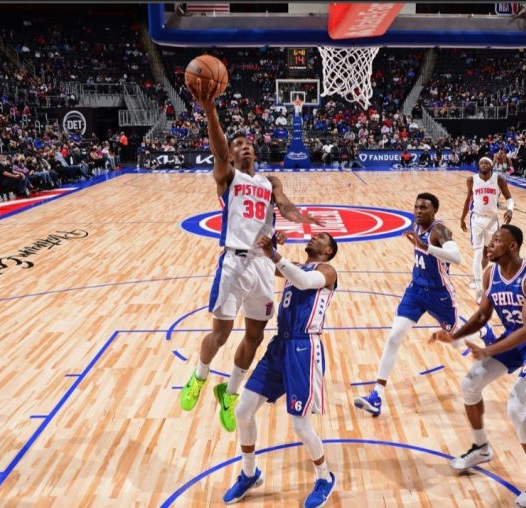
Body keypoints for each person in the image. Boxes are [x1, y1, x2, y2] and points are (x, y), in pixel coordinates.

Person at [178, 77, 323, 432]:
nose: (244, 147)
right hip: (234, 263)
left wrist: (301, 217)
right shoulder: (228, 177)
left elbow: (285, 206)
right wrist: (209, 109)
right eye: (237, 145)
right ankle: (200, 375)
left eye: (248, 144)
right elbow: (217, 150)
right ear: (229, 155)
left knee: (255, 336)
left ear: (255, 153)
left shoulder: (269, 182)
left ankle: (229, 393)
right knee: (221, 334)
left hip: (262, 265)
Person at [431, 224, 526, 507]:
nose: (489, 246)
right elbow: (483, 315)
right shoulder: (491, 273)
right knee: (469, 384)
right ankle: (481, 447)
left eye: (496, 241)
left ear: (512, 246)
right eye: (490, 241)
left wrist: (488, 350)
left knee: (516, 406)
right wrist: (455, 336)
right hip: (515, 336)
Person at [222, 233, 338, 507]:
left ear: (328, 250)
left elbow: (304, 281)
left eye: (320, 237)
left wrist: (274, 254)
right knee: (243, 411)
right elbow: (264, 264)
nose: (313, 237)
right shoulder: (294, 266)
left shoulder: (327, 271)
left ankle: (324, 477)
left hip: (304, 348)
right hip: (279, 346)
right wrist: (261, 245)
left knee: (300, 426)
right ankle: (249, 473)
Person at [353, 193, 464, 417]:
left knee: (457, 339)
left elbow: (457, 257)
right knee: (394, 336)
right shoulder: (416, 226)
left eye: (424, 208)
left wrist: (426, 247)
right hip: (415, 291)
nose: (419, 211)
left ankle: (485, 334)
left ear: (434, 211)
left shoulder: (439, 230)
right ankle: (376, 396)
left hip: (440, 294)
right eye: (416, 207)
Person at [460, 156, 514, 303]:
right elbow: (468, 199)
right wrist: (462, 217)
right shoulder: (471, 180)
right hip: (476, 219)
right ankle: (479, 289)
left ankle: (480, 276)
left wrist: (510, 210)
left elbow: (509, 198)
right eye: (481, 163)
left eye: (486, 163)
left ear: (491, 166)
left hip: (492, 220)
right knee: (478, 252)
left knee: (490, 253)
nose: (483, 164)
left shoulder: (499, 179)